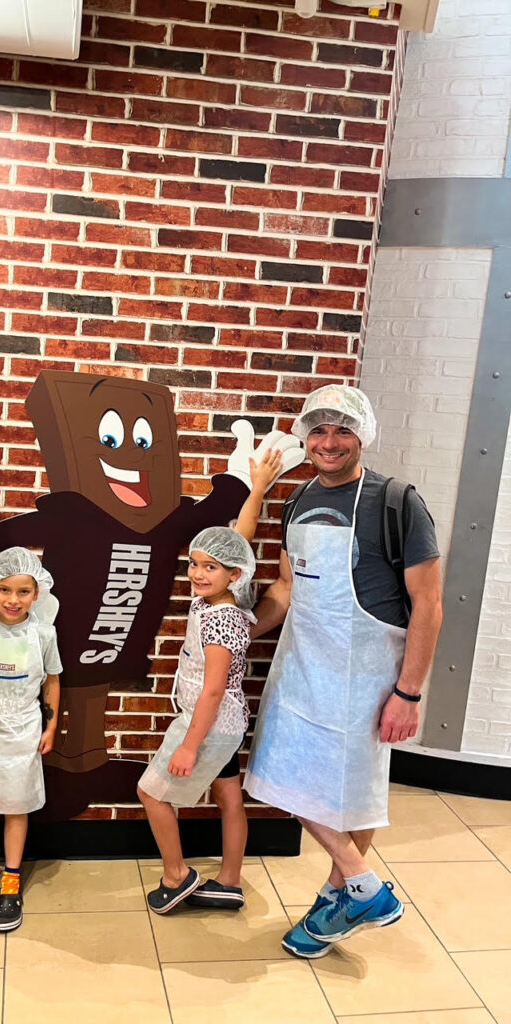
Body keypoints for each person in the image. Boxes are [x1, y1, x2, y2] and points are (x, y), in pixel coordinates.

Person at [243, 384, 442, 959]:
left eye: (342, 430)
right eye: (319, 430)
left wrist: (408, 691)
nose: (329, 442)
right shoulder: (297, 499)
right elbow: (284, 588)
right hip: (302, 663)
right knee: (275, 771)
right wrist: (238, 636)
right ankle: (361, 887)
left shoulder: (396, 502)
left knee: (354, 794)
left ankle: (342, 895)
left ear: (364, 435)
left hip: (368, 673)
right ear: (305, 437)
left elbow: (427, 604)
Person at [137, 450, 283, 914]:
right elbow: (239, 537)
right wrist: (257, 488)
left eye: (209, 567)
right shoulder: (227, 595)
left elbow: (214, 689)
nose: (198, 573)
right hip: (227, 721)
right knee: (227, 794)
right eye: (194, 564)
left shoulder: (221, 621)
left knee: (152, 793)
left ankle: (177, 875)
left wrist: (188, 745)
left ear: (234, 575)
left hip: (210, 721)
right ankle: (230, 881)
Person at [0, 547, 62, 933]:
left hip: (25, 730)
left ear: (37, 594)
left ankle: (12, 880)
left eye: (23, 592)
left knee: (16, 806)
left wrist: (50, 727)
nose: (13, 600)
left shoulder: (44, 634)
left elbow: (52, 681)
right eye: (4, 590)